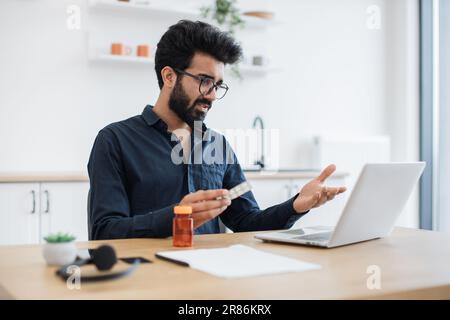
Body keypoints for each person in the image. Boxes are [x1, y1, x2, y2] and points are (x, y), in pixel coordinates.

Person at [87, 20, 346, 240]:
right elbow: (104, 232)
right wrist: (176, 217)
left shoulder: (218, 146)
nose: (211, 95)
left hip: (212, 277)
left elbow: (246, 221)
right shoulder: (114, 141)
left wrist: (296, 205)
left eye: (217, 85)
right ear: (169, 77)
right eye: (204, 81)